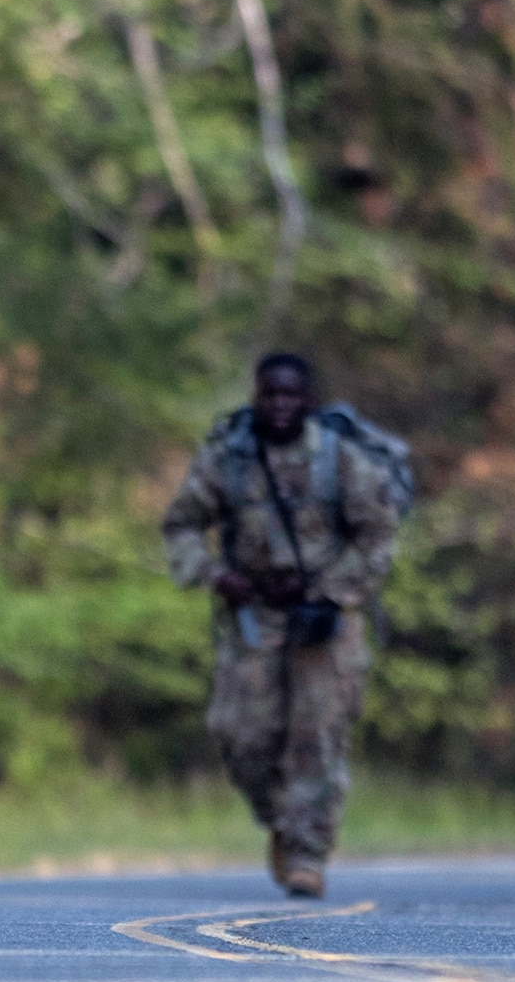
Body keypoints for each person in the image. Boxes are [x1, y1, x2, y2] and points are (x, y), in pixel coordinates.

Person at [160, 353, 400, 897]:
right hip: (254, 616)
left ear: (308, 400)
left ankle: (307, 854)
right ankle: (281, 822)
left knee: (318, 736)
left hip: (324, 620)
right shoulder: (230, 460)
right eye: (270, 394)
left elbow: (378, 536)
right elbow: (182, 525)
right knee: (241, 735)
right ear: (256, 396)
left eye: (291, 395)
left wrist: (326, 589)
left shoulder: (339, 461)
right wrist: (216, 575)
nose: (280, 405)